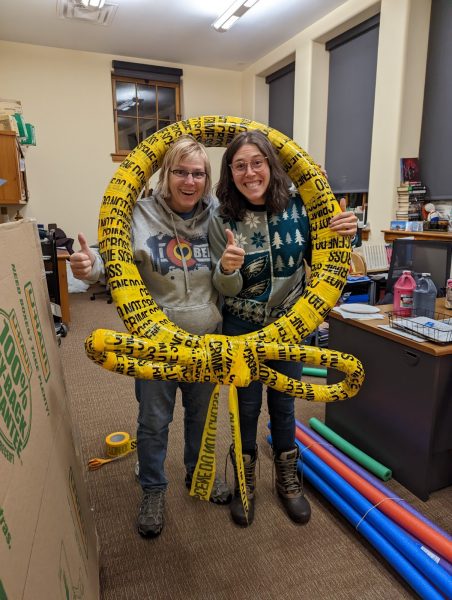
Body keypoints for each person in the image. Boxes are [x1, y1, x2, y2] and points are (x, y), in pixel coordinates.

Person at [70, 136, 231, 539]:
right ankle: (153, 489)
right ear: (165, 174)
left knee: (202, 415)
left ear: (207, 178)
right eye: (180, 171)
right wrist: (89, 266)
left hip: (205, 342)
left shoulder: (217, 214)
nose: (189, 181)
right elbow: (110, 264)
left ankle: (199, 475)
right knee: (154, 421)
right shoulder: (136, 214)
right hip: (153, 344)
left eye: (198, 173)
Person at [208, 130, 357, 527]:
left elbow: (322, 256)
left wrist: (346, 232)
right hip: (242, 326)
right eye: (239, 165)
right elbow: (221, 288)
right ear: (230, 172)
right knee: (246, 404)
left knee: (284, 402)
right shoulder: (220, 217)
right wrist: (227, 269)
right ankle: (244, 478)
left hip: (291, 324)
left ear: (271, 165)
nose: (249, 172)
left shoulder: (300, 206)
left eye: (257, 162)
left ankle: (288, 478)